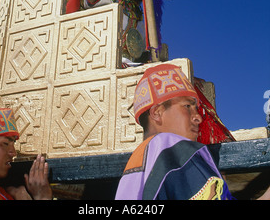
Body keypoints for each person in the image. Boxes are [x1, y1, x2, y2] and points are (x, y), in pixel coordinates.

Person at [115, 63, 270, 200]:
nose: (198, 118)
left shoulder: (137, 163)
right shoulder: (174, 148)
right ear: (157, 113)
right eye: (187, 106)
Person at [0, 107, 52, 200]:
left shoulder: (7, 194)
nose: (14, 153)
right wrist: (42, 197)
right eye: (5, 144)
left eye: (13, 143)